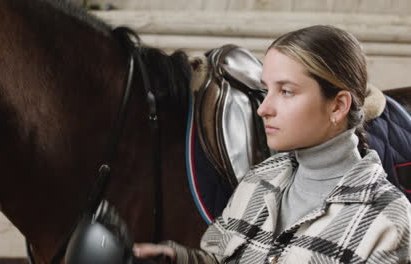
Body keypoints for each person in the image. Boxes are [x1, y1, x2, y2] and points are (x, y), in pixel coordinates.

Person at [133, 25, 411, 263]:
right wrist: (174, 257)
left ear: (338, 106)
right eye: (268, 91)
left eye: (286, 91)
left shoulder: (388, 219)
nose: (263, 109)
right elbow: (218, 259)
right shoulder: (258, 179)